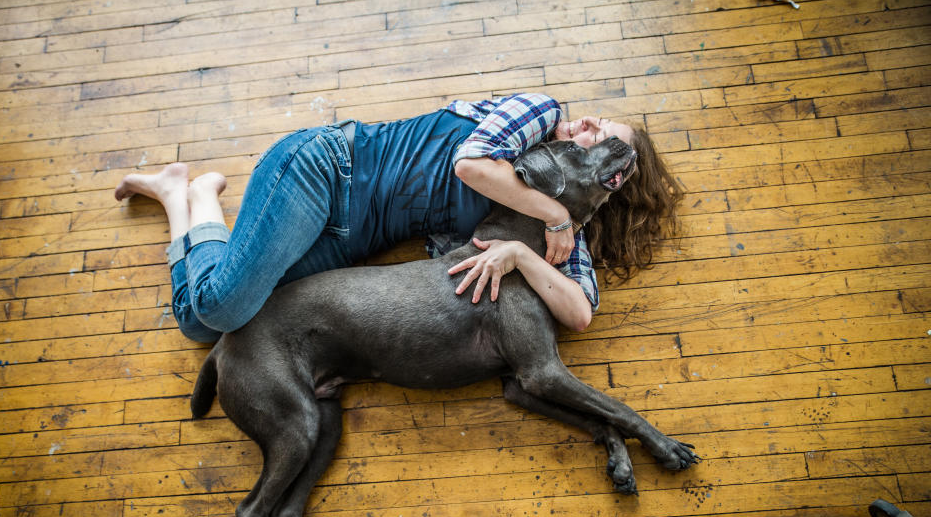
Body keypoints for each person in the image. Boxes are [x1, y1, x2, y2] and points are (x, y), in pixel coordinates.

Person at [114, 94, 682, 342]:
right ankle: (196, 198)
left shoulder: (559, 228)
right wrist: (556, 215)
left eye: (602, 144)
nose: (585, 125)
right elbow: (469, 165)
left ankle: (183, 197)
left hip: (351, 242)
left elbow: (579, 312)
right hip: (326, 170)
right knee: (220, 306)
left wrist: (524, 253)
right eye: (598, 124)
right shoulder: (539, 112)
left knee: (197, 323)